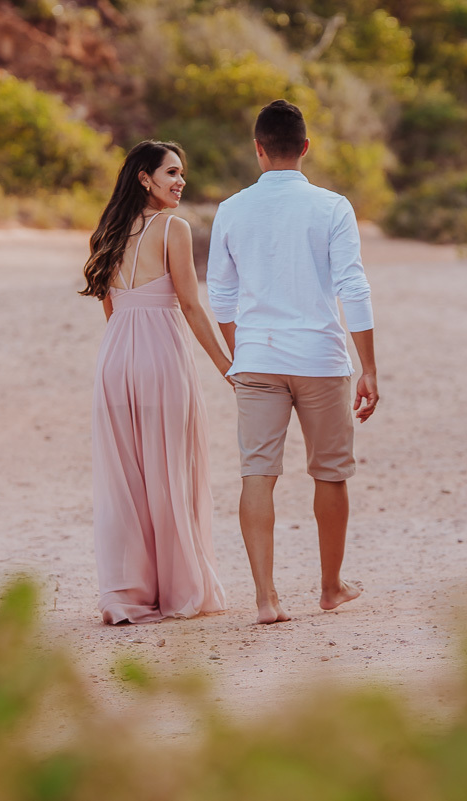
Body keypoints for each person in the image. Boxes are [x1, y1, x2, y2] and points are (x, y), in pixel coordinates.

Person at [207, 100, 379, 625]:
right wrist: (368, 365)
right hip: (321, 360)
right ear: (305, 147)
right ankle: (330, 588)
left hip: (257, 358)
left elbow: (220, 293)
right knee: (330, 474)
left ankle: (266, 599)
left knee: (257, 474)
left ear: (258, 149)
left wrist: (244, 351)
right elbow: (353, 284)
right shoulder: (332, 206)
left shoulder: (232, 209)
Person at [81, 140, 231, 624]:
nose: (180, 181)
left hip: (115, 358)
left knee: (128, 480)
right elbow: (189, 305)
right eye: (171, 172)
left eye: (181, 173)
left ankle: (129, 593)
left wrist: (126, 348)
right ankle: (178, 589)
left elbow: (110, 307)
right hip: (161, 357)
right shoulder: (175, 228)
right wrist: (227, 365)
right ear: (144, 178)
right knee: (170, 472)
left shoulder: (107, 231)